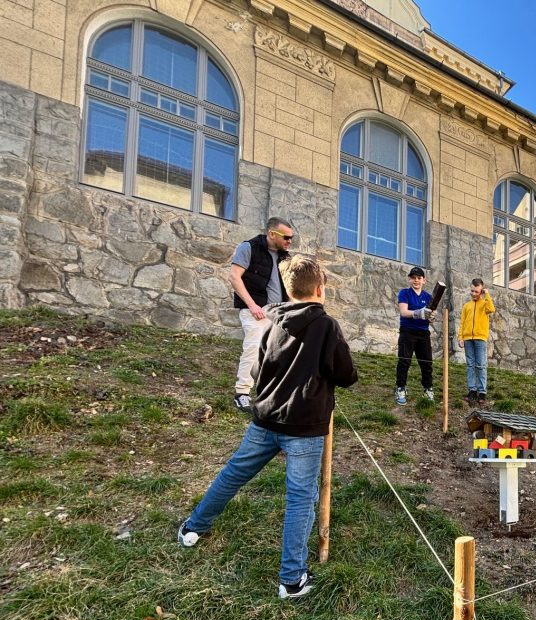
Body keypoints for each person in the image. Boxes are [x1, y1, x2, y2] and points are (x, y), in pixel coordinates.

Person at [177, 256, 357, 599]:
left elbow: (258, 370)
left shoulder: (270, 321)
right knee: (301, 497)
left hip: (265, 417)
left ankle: (193, 527)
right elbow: (346, 374)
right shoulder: (326, 326)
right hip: (304, 427)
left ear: (288, 290)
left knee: (234, 473)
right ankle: (291, 578)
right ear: (320, 289)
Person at [228, 217, 295, 413]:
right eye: (286, 237)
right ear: (272, 234)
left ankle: (270, 396)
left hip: (278, 314)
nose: (289, 241)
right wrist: (252, 306)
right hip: (255, 312)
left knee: (276, 354)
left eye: (291, 238)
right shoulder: (249, 248)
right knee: (253, 348)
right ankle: (242, 393)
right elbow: (234, 277)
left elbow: (290, 286)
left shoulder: (285, 257)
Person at [395, 265, 435, 405]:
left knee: (426, 363)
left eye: (419, 278)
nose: (416, 280)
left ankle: (428, 389)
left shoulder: (428, 297)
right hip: (407, 331)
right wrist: (419, 313)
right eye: (413, 278)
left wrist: (431, 317)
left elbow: (430, 316)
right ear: (409, 279)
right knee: (404, 361)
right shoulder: (404, 293)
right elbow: (404, 312)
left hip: (423, 333)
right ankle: (400, 388)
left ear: (424, 280)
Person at [457, 278, 496, 408]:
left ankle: (482, 392)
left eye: (477, 292)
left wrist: (487, 295)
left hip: (480, 338)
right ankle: (472, 391)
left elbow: (491, 309)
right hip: (467, 339)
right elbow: (462, 323)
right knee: (470, 365)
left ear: (481, 291)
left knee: (480, 365)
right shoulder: (466, 306)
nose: (474, 294)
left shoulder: (485, 304)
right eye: (472, 291)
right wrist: (460, 337)